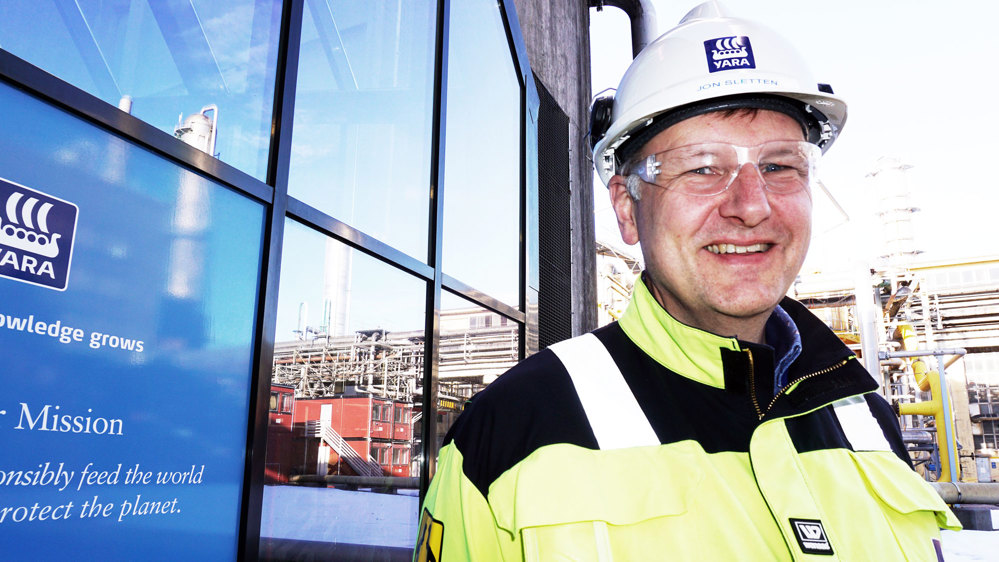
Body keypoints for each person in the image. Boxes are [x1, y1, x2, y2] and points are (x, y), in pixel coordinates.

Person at [415, 2, 960, 560]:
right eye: (702, 166)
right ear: (627, 207)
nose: (752, 206)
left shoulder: (866, 418)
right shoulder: (508, 439)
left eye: (779, 166)